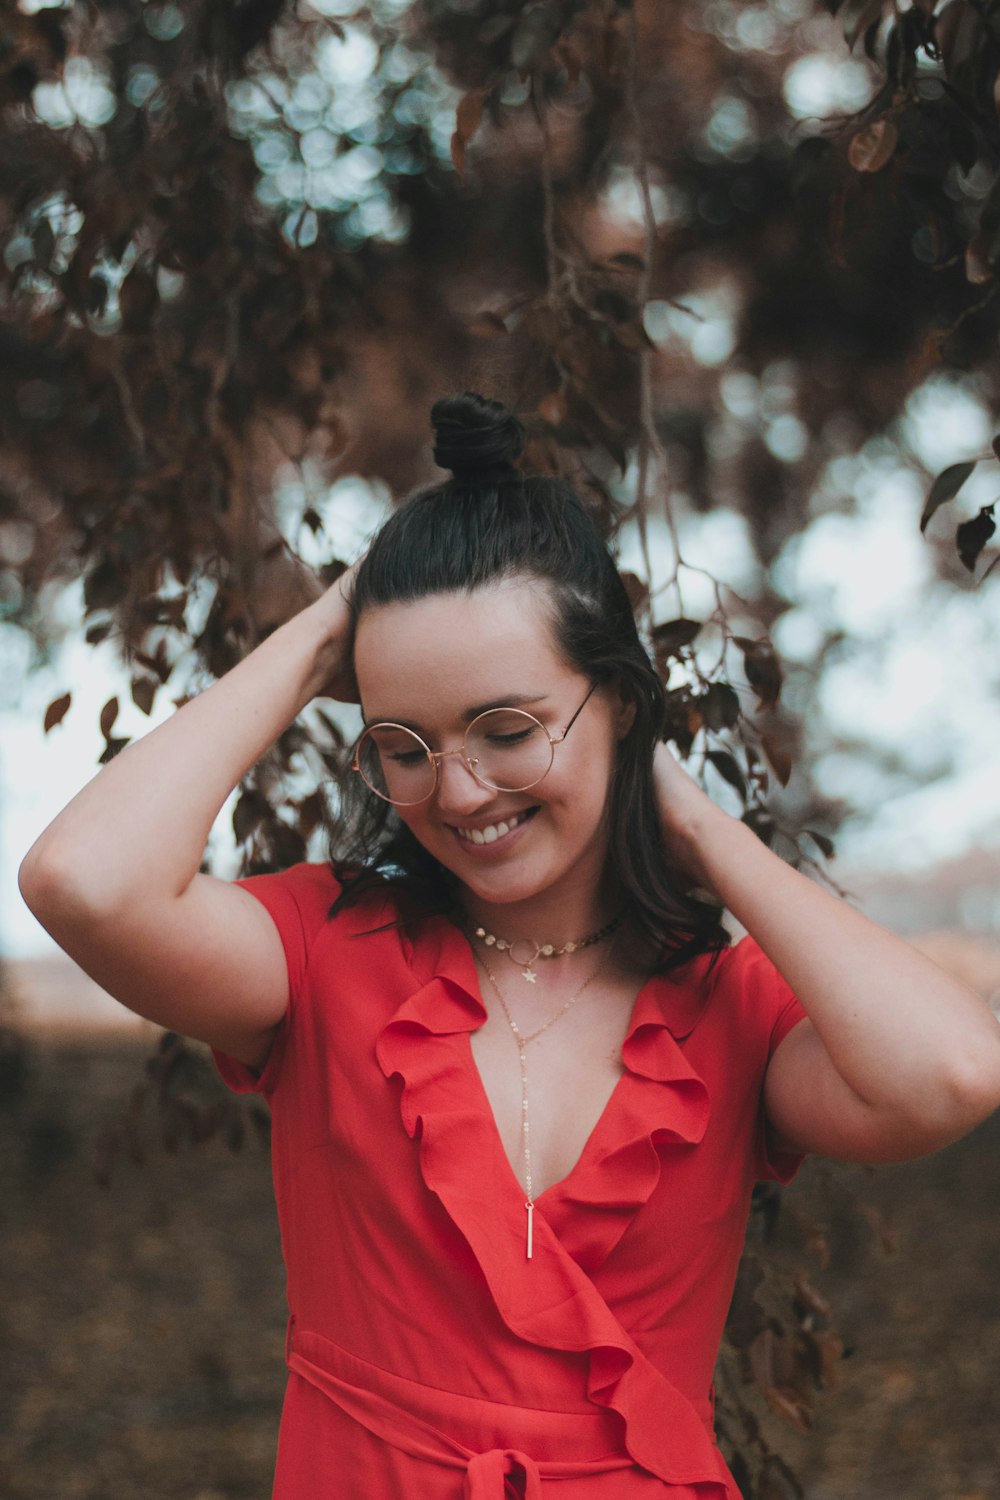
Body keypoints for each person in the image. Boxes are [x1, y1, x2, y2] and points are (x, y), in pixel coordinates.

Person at [19, 391, 1000, 1499]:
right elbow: (80, 881)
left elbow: (952, 1074)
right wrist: (318, 639)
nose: (459, 791)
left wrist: (691, 823)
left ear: (620, 703)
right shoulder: (317, 954)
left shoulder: (730, 1010)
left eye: (507, 729)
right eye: (403, 745)